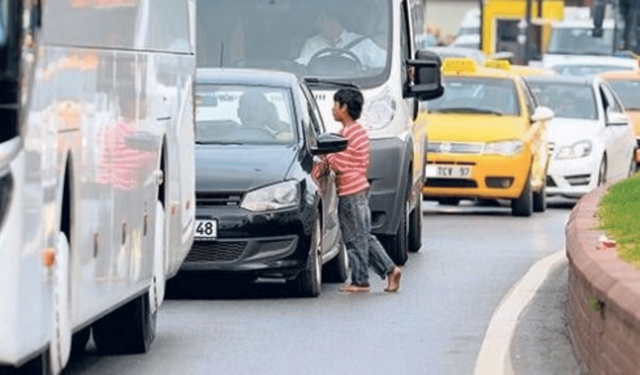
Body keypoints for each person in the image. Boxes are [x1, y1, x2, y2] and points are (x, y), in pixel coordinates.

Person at [324, 88, 402, 293]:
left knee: (354, 238)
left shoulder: (348, 134)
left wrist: (327, 157)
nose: (333, 109)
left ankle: (361, 280)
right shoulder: (358, 132)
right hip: (358, 190)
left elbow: (341, 163)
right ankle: (389, 270)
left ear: (344, 108)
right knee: (364, 236)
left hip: (351, 192)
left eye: (335, 105)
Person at [296, 10, 385, 70]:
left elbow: (385, 64)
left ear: (335, 21)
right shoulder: (312, 44)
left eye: (322, 20)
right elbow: (301, 67)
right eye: (317, 21)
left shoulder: (362, 44)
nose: (317, 25)